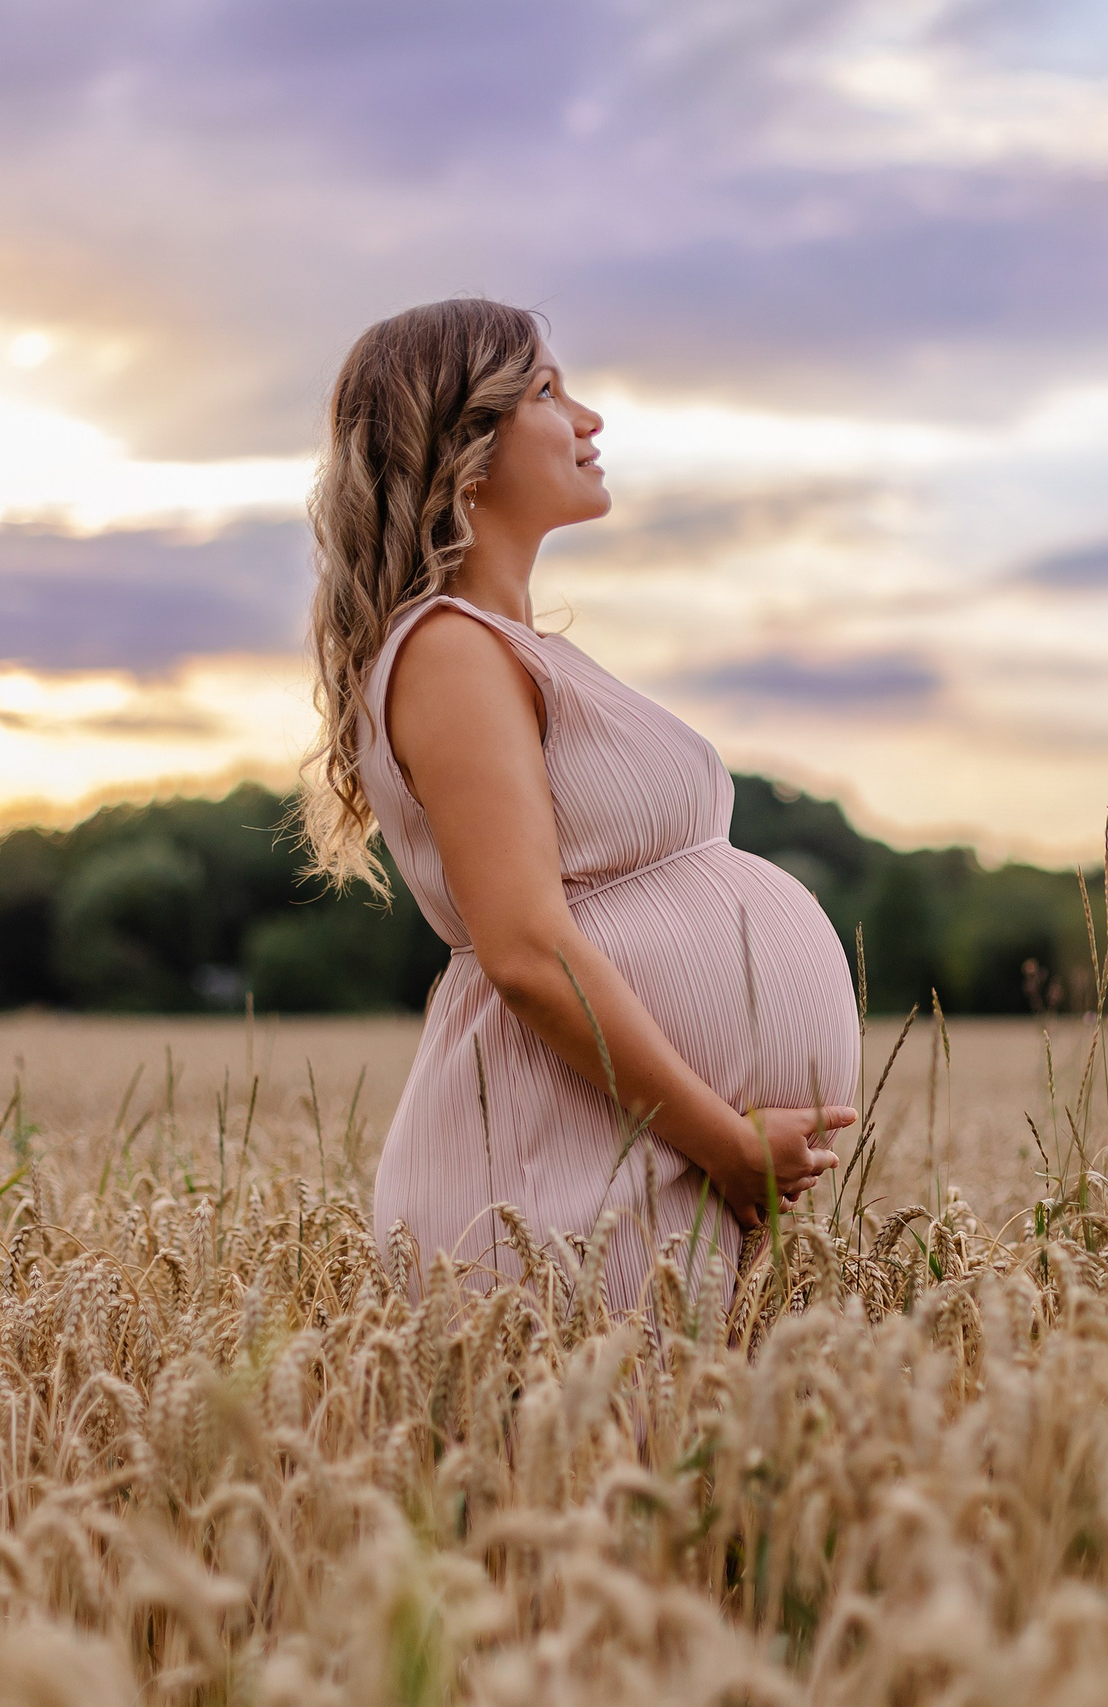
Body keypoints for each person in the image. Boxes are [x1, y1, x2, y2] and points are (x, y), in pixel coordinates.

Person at [298, 297, 861, 1310]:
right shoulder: (449, 651)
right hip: (554, 1182)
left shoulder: (510, 648)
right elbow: (524, 951)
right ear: (464, 447)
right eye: (549, 392)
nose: (589, 419)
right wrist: (726, 1144)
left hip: (624, 1158)